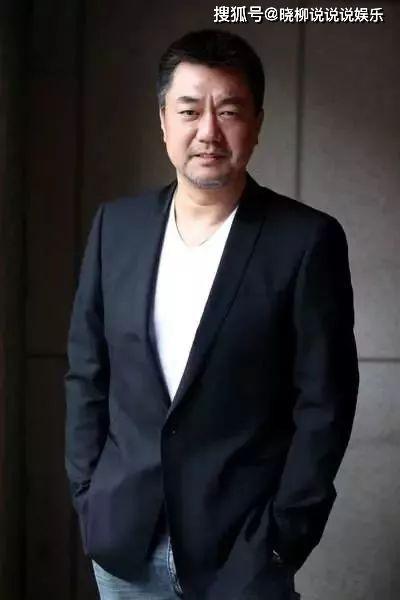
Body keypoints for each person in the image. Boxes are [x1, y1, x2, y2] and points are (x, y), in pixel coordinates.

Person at [64, 29, 359, 600]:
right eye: (189, 110)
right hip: (124, 545)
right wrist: (87, 496)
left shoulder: (305, 241)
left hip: (243, 554)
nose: (208, 131)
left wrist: (283, 537)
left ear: (257, 123)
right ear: (163, 121)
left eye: (228, 111)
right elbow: (87, 373)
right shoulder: (116, 227)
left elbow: (326, 402)